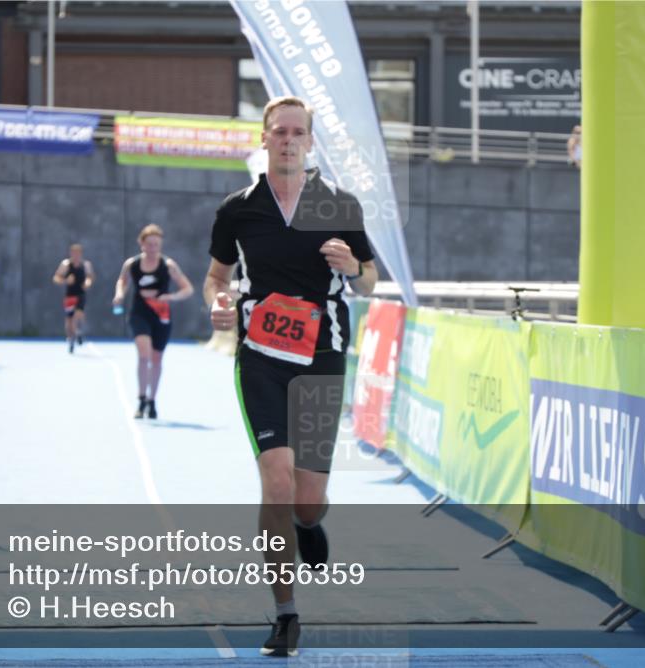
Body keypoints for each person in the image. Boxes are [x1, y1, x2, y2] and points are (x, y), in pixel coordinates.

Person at [203, 96, 378, 657]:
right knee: (276, 482)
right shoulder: (238, 209)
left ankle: (308, 523)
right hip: (260, 358)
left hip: (322, 358)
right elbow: (216, 277)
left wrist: (353, 268)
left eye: (297, 132)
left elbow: (370, 279)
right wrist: (219, 303)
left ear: (310, 142)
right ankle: (285, 615)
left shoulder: (339, 205)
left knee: (307, 500)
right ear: (264, 138)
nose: (287, 140)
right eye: (278, 131)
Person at [113, 225, 194, 419]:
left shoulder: (168, 265)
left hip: (161, 314)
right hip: (139, 312)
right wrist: (119, 294)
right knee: (144, 354)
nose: (152, 248)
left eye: (156, 244)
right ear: (141, 244)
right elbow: (122, 281)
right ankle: (141, 399)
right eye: (149, 244)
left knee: (157, 359)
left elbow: (188, 289)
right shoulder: (131, 264)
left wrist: (171, 297)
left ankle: (152, 400)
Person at [53, 243, 95, 353]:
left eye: (78, 253)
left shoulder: (86, 265)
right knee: (69, 318)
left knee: (79, 314)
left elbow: (90, 277)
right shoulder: (66, 264)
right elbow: (56, 278)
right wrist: (66, 280)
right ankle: (71, 338)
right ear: (70, 253)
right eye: (74, 253)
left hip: (81, 294)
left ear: (81, 254)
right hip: (70, 295)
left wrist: (88, 283)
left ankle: (78, 331)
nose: (76, 255)